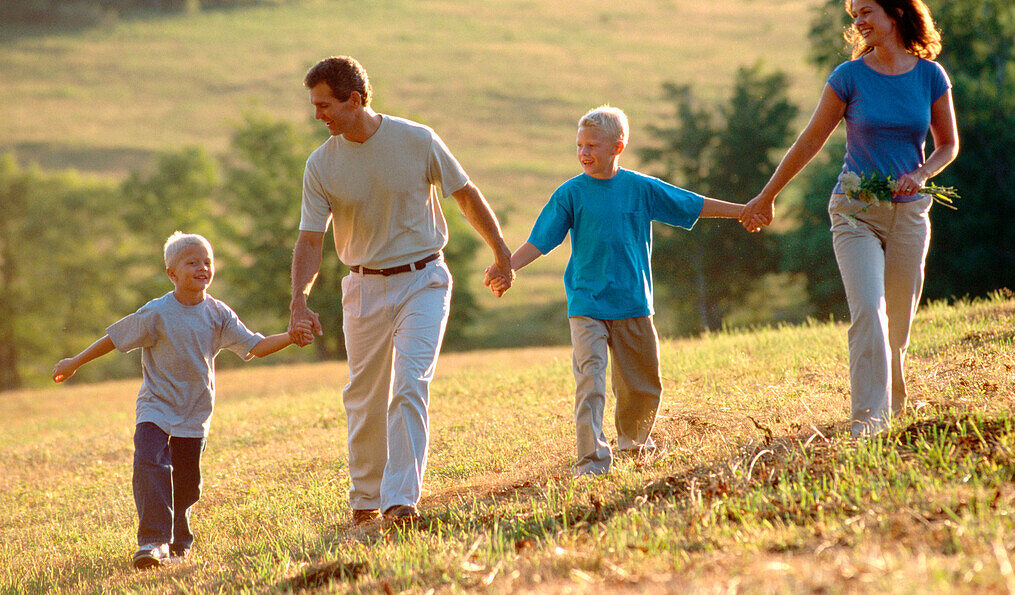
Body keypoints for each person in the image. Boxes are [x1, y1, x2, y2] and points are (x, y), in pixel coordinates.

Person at [289, 55, 513, 527]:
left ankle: (400, 500)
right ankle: (366, 498)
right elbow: (311, 239)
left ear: (355, 99)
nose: (317, 115)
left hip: (423, 278)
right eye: (314, 106)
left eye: (325, 105)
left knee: (410, 382)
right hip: (364, 287)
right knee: (364, 396)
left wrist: (500, 251)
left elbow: (466, 195)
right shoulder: (321, 164)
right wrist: (299, 300)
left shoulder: (417, 139)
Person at [739, 0, 960, 437]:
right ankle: (868, 422)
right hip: (854, 209)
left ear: (895, 12)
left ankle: (896, 402)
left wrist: (919, 175)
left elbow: (948, 145)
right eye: (853, 15)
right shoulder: (849, 77)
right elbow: (810, 141)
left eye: (866, 12)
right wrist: (767, 195)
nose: (858, 22)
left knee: (898, 320)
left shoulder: (929, 75)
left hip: (910, 211)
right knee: (868, 311)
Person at [485, 106, 744, 476]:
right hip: (587, 303)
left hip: (633, 302)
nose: (583, 153)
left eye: (592, 145)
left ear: (617, 147)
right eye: (579, 145)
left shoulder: (640, 188)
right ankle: (591, 460)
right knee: (590, 380)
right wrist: (506, 266)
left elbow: (693, 204)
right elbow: (540, 240)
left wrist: (744, 211)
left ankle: (635, 444)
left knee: (642, 383)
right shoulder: (570, 193)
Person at [51, 232, 294, 569]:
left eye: (207, 261)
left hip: (195, 412)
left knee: (186, 483)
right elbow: (115, 338)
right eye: (192, 262)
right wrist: (74, 361)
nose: (202, 267)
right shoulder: (157, 312)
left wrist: (292, 337)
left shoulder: (219, 314)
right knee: (149, 463)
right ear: (172, 273)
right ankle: (152, 542)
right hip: (155, 407)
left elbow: (256, 345)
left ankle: (180, 540)